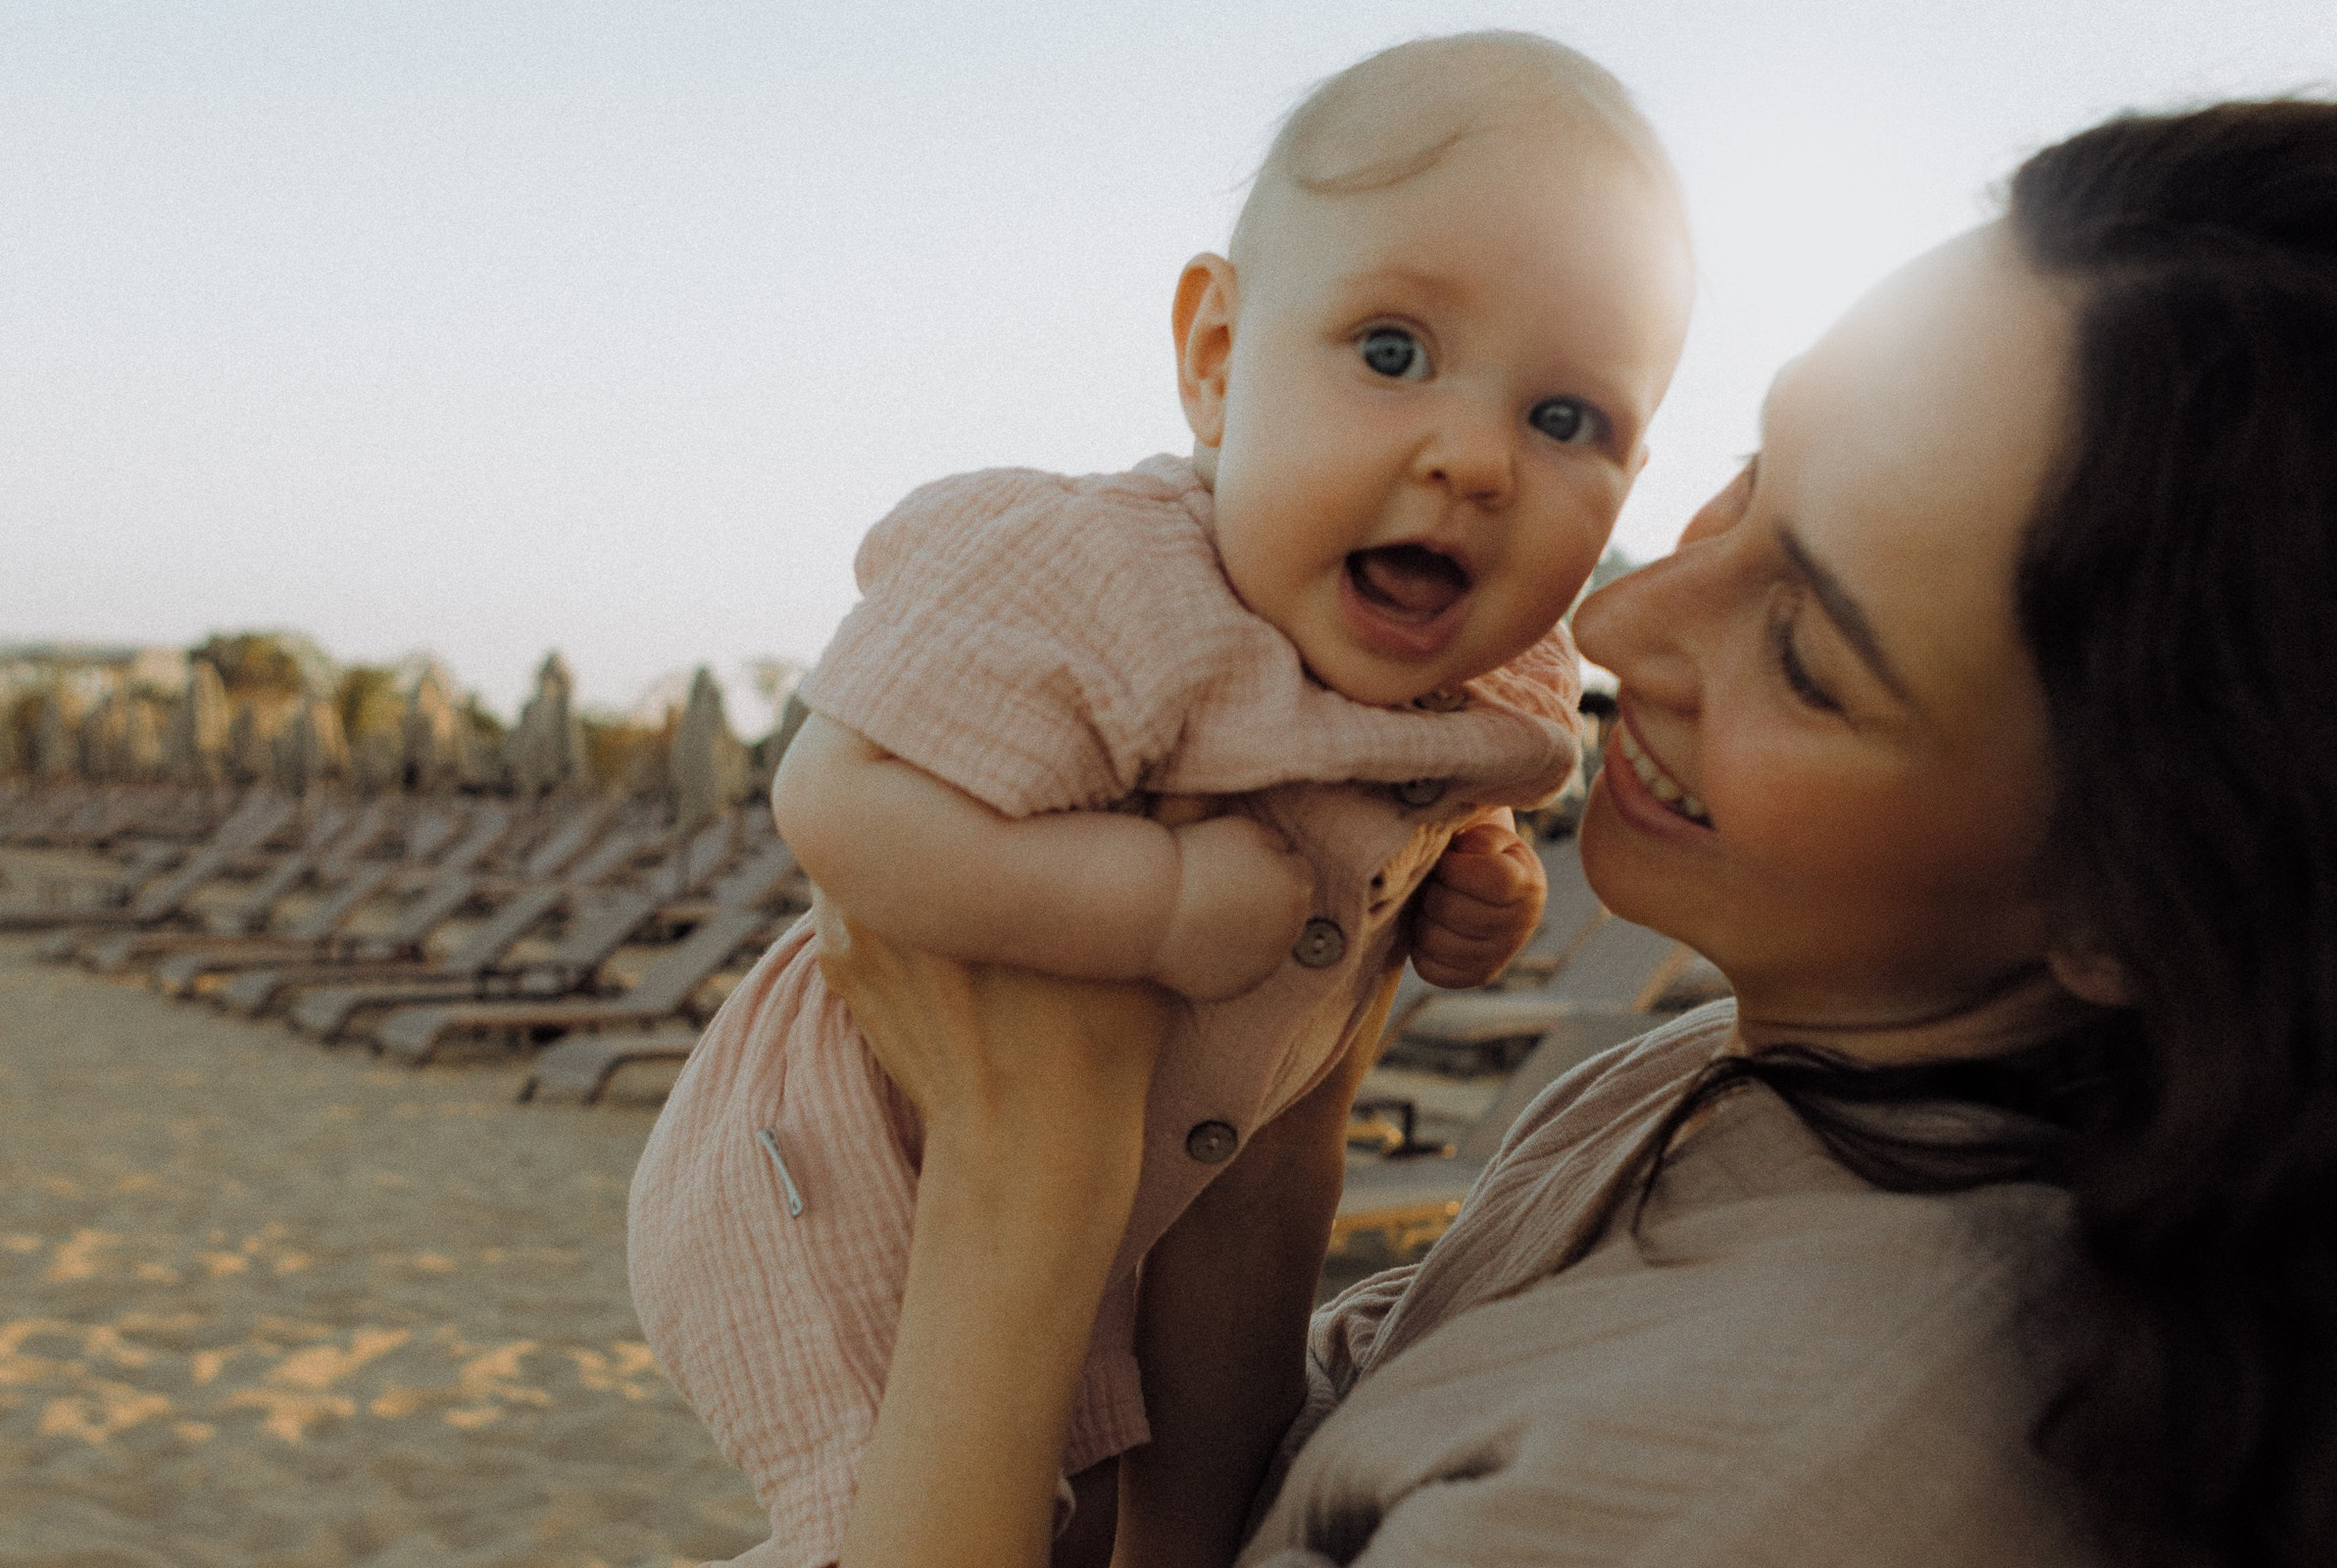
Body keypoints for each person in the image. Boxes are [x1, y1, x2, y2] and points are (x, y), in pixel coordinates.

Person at [816, 100, 2337, 1568]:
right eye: (1744, 483)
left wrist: (1026, 1182)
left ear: (2134, 896)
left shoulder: (1752, 1496)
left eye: (1807, 655)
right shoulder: (1737, 1078)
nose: (1613, 624)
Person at [626, 31, 1694, 1568]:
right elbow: (840, 797)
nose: (1472, 460)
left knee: (1192, 1451)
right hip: (842, 1169)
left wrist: (1488, 893)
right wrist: (1152, 902)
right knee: (898, 1494)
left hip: (1215, 1169)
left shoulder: (1500, 682)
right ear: (1215, 358)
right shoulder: (1099, 582)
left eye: (1566, 419)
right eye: (1392, 353)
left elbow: (1467, 819)